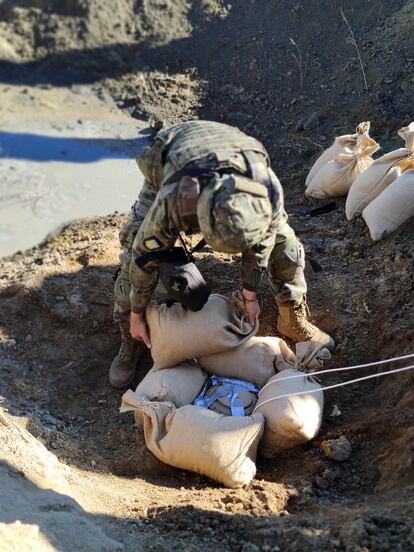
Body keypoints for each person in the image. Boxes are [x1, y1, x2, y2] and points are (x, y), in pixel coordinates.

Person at [110, 120, 335, 388]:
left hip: (236, 153)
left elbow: (263, 242)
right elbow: (144, 259)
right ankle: (131, 339)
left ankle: (292, 319)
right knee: (133, 256)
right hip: (171, 156)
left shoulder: (266, 192)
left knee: (286, 245)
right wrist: (136, 314)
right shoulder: (175, 199)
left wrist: (250, 294)